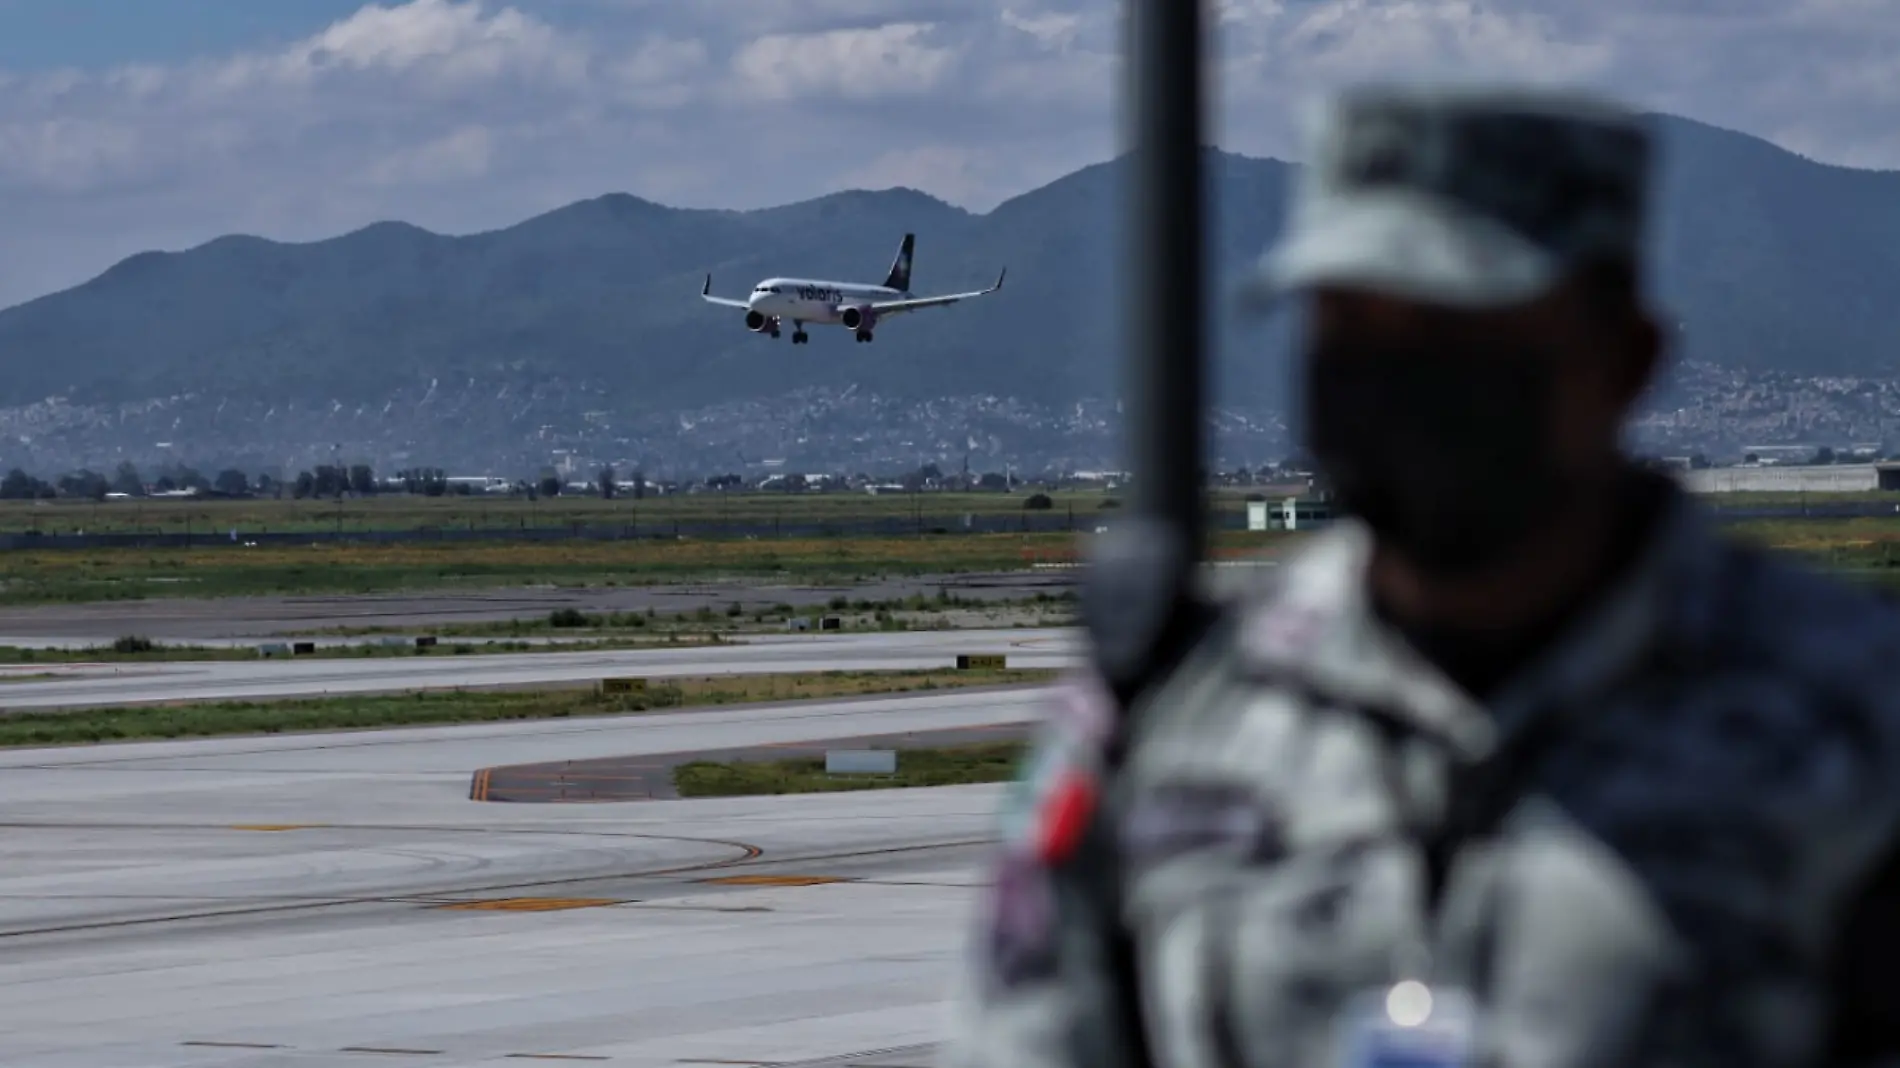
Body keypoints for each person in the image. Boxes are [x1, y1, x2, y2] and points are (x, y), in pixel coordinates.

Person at [943, 82, 1900, 1068]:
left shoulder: (1851, 715)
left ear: (1625, 359)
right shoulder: (1164, 714)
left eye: (1463, 336)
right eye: (1349, 331)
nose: (1398, 383)